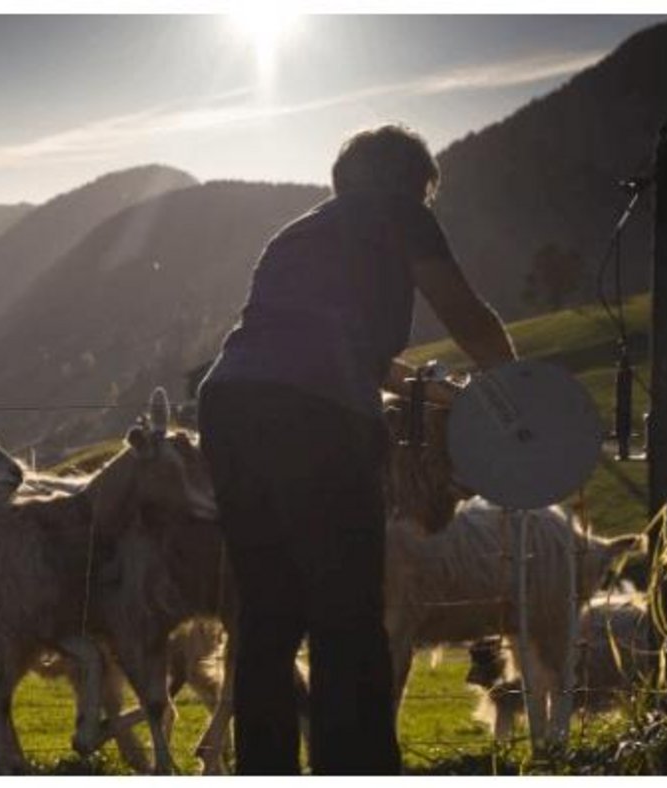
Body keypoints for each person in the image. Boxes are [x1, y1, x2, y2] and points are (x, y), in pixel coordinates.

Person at [198, 123, 517, 774]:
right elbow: (467, 316)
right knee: (347, 616)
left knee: (268, 614)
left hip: (231, 406)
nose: (426, 203)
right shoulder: (401, 211)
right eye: (426, 192)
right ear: (409, 181)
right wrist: (519, 391)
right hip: (316, 419)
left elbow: (355, 358)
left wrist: (439, 394)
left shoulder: (294, 236)